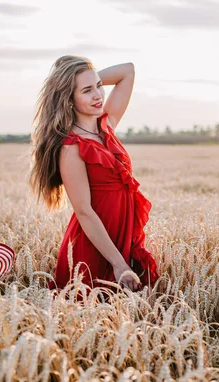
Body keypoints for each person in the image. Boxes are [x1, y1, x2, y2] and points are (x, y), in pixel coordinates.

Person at [29, 55, 159, 295]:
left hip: (124, 231)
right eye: (87, 91)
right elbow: (84, 211)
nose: (98, 95)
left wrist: (88, 76)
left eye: (98, 86)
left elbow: (127, 71)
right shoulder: (71, 147)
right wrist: (118, 263)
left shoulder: (106, 125)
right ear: (69, 98)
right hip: (97, 245)